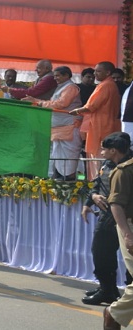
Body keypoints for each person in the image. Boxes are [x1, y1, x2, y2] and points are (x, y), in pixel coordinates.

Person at [81, 133, 133, 306]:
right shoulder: (107, 164)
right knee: (101, 253)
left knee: (130, 259)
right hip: (107, 216)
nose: (101, 152)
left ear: (113, 150)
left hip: (126, 217)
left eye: (104, 149)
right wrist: (92, 199)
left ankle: (128, 295)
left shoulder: (128, 167)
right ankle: (107, 289)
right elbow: (97, 184)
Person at [24, 66, 82, 180]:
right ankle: (59, 178)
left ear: (66, 75)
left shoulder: (70, 87)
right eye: (54, 76)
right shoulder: (61, 87)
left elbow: (61, 104)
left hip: (69, 127)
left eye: (58, 76)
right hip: (59, 128)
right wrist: (37, 102)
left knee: (69, 156)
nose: (55, 78)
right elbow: (53, 102)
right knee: (57, 156)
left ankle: (70, 180)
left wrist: (37, 102)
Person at [70, 61, 122, 179]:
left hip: (100, 126)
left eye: (98, 71)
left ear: (108, 72)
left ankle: (95, 184)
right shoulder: (110, 84)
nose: (95, 74)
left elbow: (91, 106)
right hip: (107, 125)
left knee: (97, 157)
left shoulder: (105, 85)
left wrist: (77, 111)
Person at [102, 140, 133, 329]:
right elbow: (116, 204)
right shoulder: (124, 171)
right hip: (130, 226)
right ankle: (114, 313)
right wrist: (127, 235)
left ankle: (115, 312)